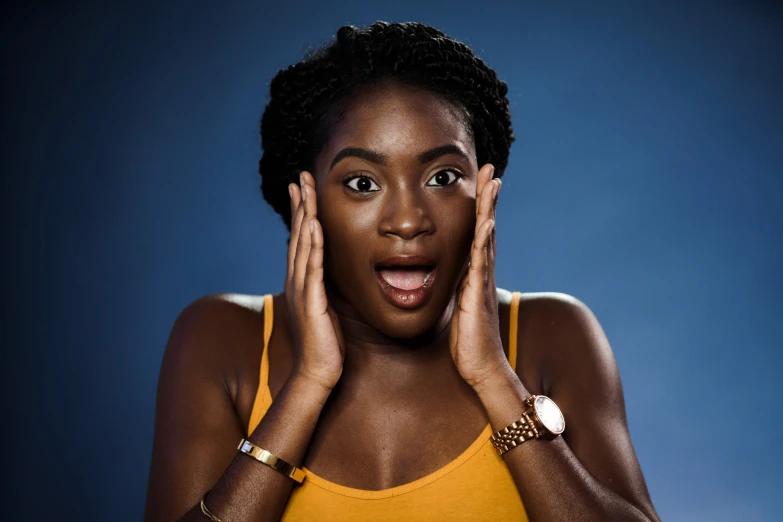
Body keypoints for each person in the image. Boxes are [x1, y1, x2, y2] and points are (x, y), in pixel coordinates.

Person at [144, 21, 660, 522]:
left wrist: (496, 380)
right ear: (306, 199)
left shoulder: (557, 333)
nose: (409, 220)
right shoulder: (222, 339)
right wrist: (306, 386)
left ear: (485, 191)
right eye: (362, 184)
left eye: (443, 176)